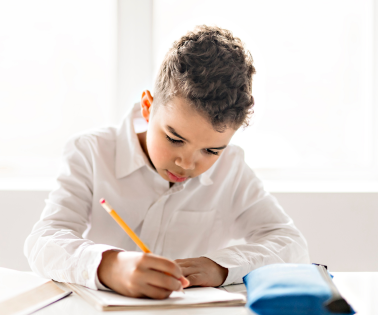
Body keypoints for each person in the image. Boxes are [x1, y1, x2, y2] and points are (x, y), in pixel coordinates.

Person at [24, 25, 309, 299]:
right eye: (174, 139)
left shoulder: (231, 168)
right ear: (148, 107)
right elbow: (43, 241)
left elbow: (292, 244)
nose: (186, 163)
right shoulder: (91, 151)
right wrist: (109, 266)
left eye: (211, 151)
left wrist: (220, 266)